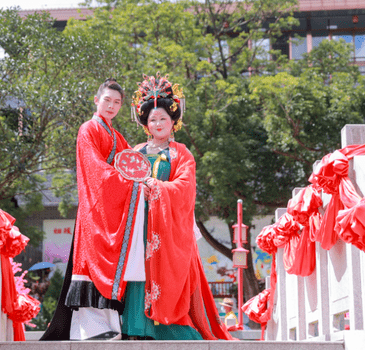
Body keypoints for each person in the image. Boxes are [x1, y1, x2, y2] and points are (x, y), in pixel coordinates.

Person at [120, 74, 234, 340]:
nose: (157, 123)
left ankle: (169, 327)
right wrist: (138, 190)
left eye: (163, 118)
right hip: (140, 223)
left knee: (169, 275)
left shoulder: (182, 153)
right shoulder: (134, 151)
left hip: (168, 226)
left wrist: (155, 188)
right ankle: (136, 327)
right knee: (139, 269)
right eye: (152, 120)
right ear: (146, 124)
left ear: (173, 122)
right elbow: (122, 183)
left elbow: (185, 188)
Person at [41, 78, 141, 341]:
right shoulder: (88, 129)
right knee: (91, 262)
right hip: (95, 208)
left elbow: (134, 164)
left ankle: (109, 325)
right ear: (96, 100)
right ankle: (89, 328)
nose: (111, 105)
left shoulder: (117, 136)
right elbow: (95, 168)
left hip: (111, 210)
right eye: (107, 100)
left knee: (110, 264)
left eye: (117, 102)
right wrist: (128, 182)